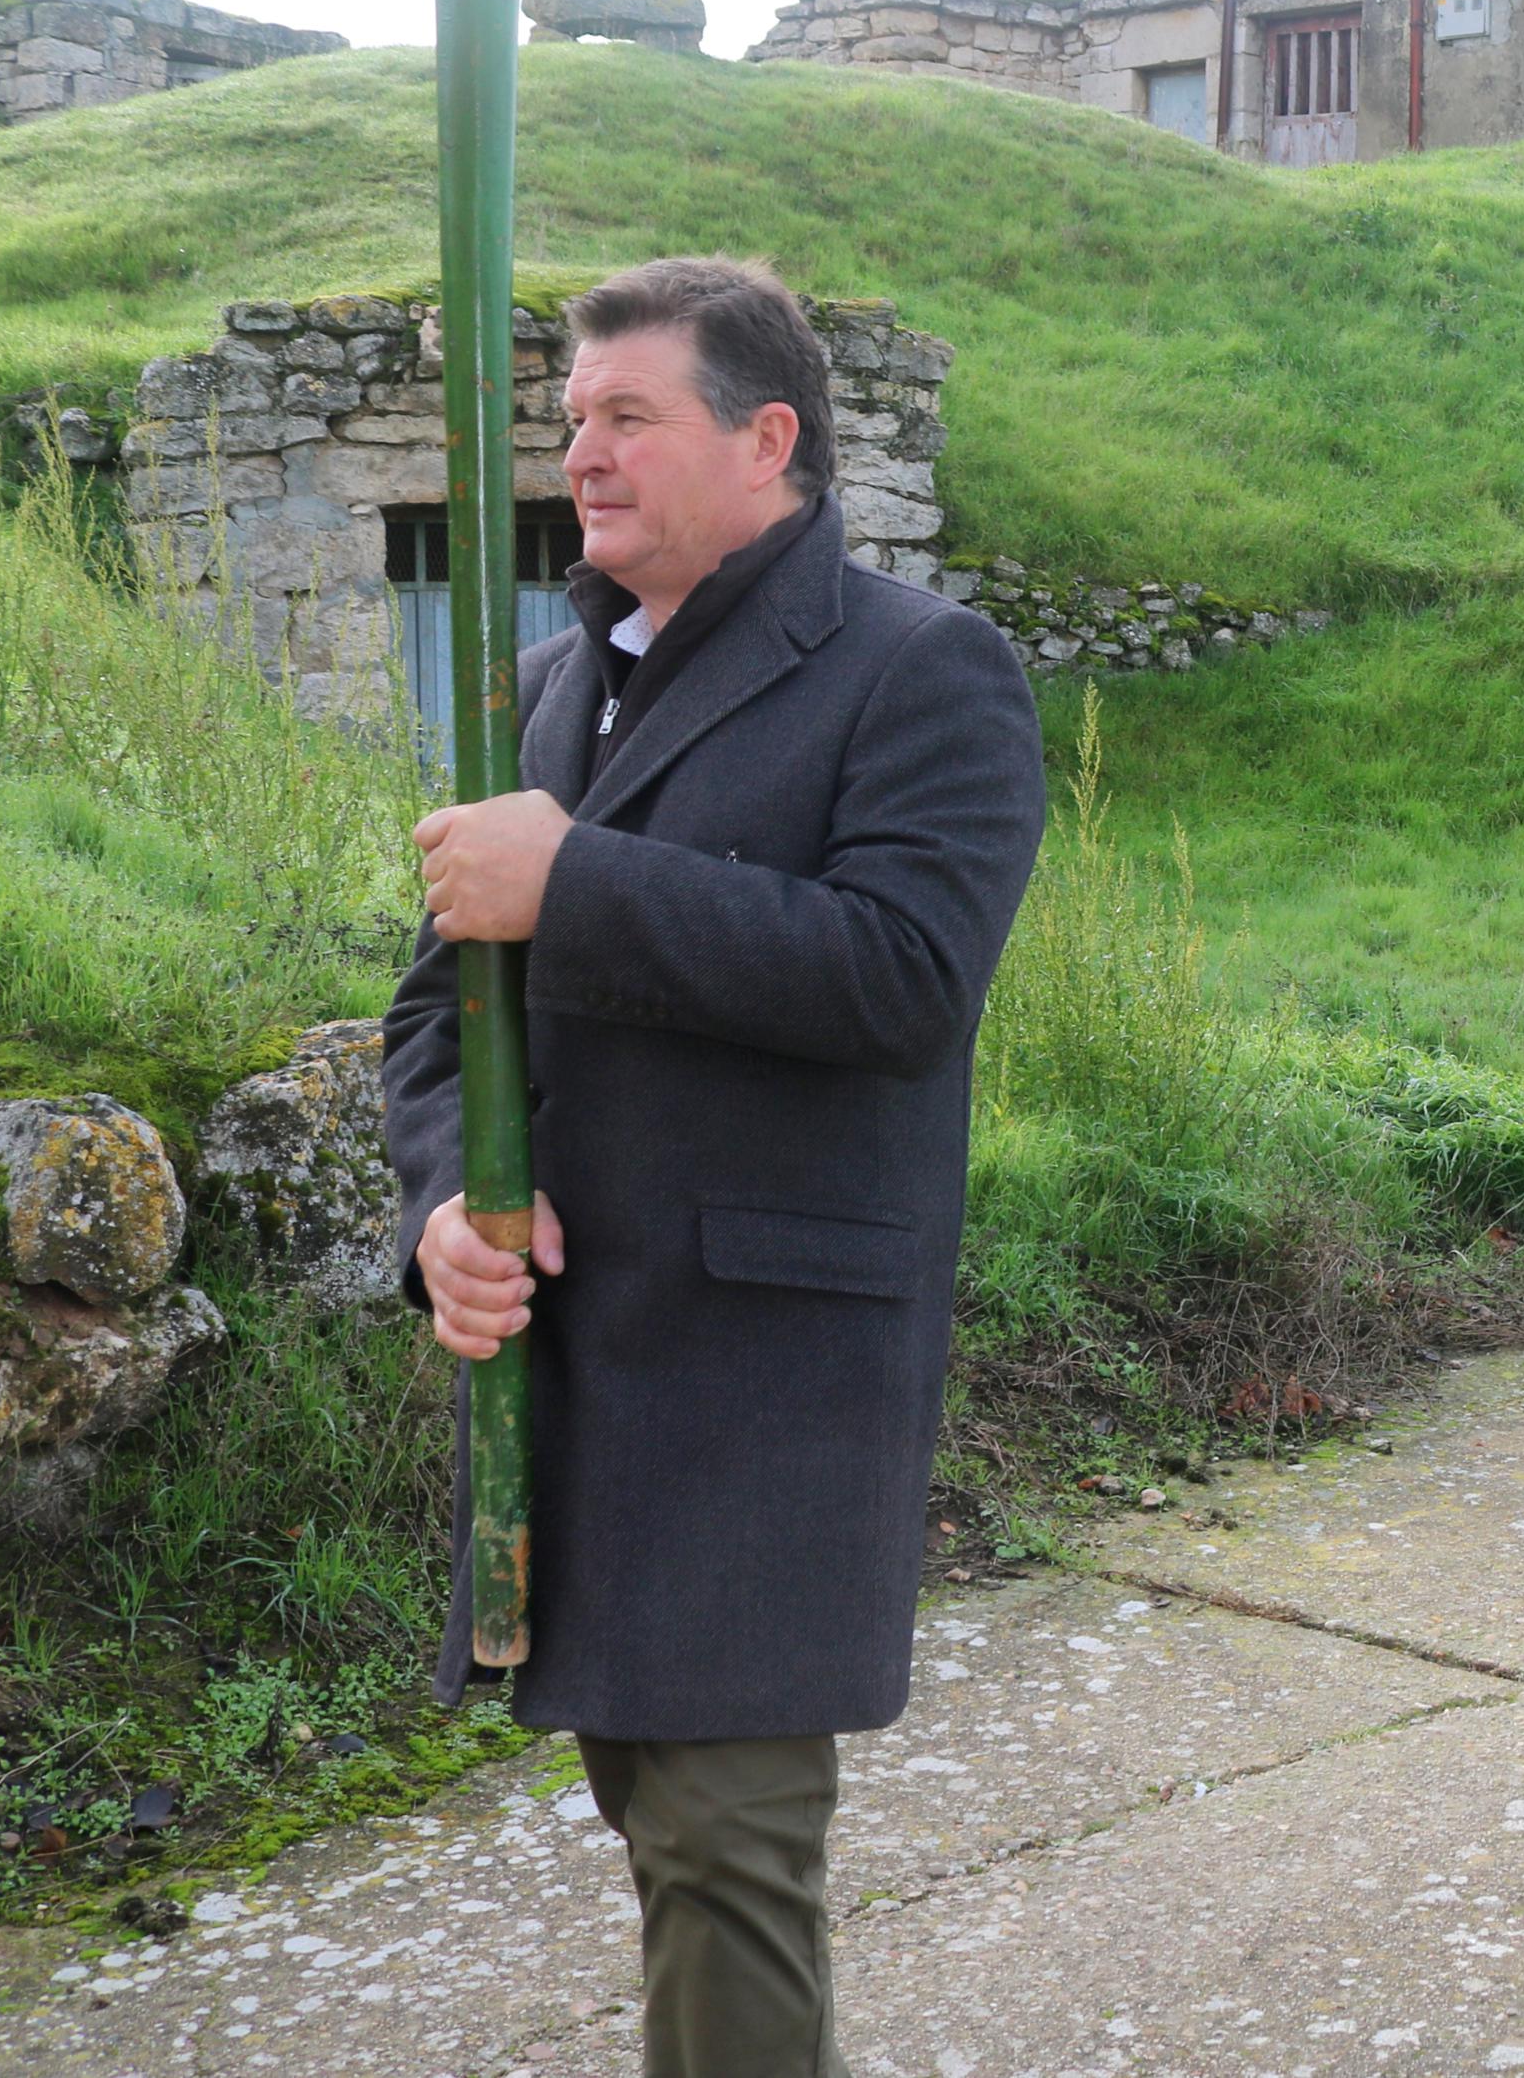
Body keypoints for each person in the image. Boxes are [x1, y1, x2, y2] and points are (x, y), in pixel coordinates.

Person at [395, 259, 1049, 2078]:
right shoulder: (540, 691)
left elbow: (904, 976)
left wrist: (576, 884)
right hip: (581, 1366)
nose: (578, 454)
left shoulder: (922, 671)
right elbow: (437, 1022)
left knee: (721, 1853)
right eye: (571, 417)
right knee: (659, 1823)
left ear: (767, 440)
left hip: (767, 1383)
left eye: (626, 418)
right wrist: (445, 1206)